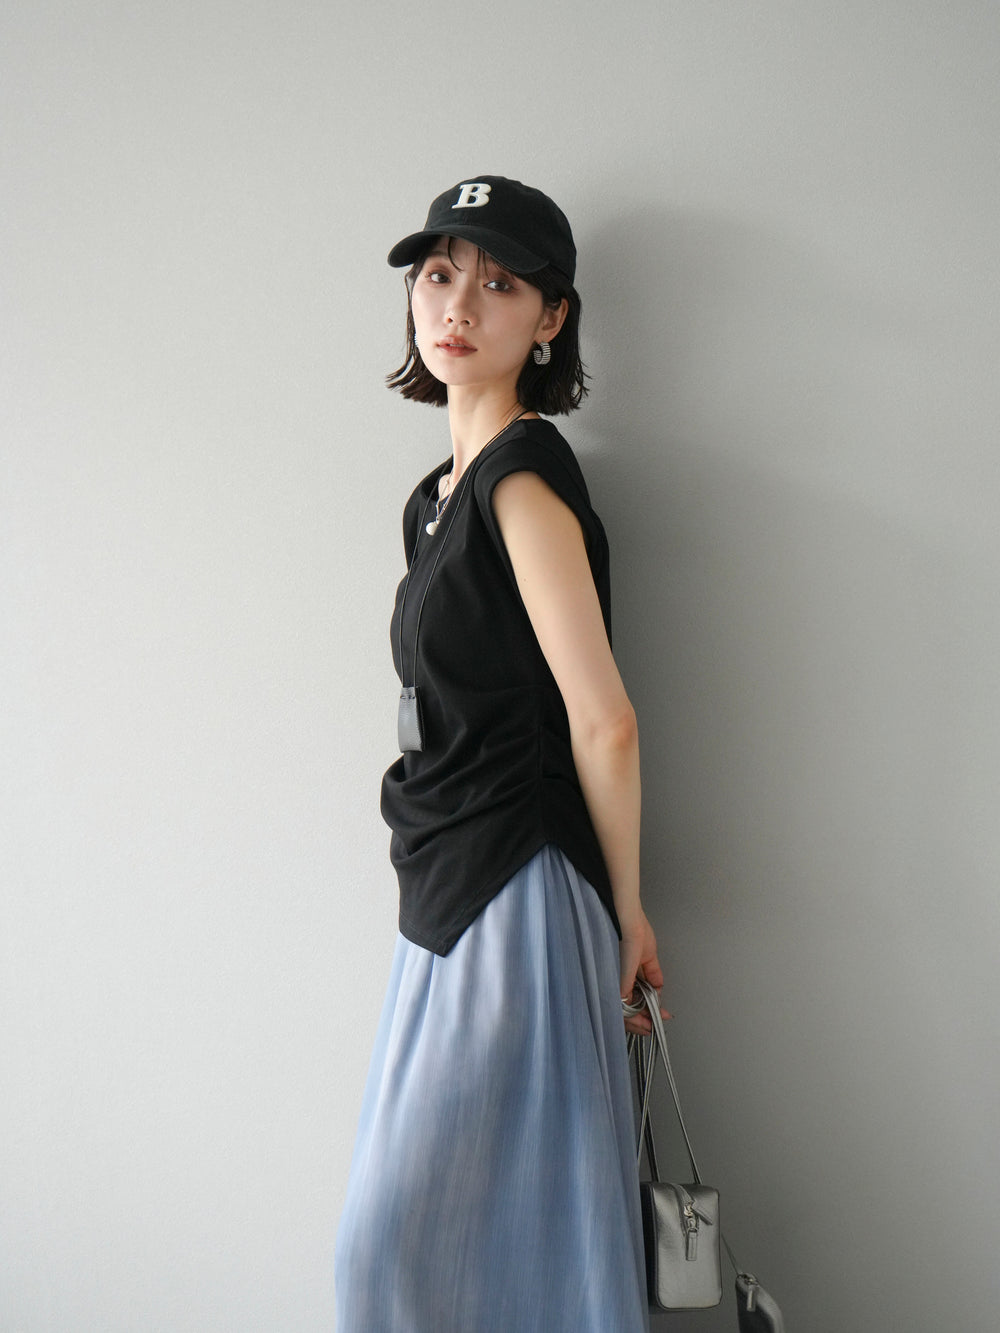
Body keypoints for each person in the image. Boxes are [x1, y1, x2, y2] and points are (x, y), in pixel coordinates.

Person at [335, 175, 665, 1332]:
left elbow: (603, 718)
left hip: (514, 887)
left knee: (389, 1246)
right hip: (443, 886)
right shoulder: (436, 498)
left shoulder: (520, 480)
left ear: (551, 317)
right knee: (488, 1242)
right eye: (438, 273)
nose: (458, 303)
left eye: (500, 282)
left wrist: (626, 910)